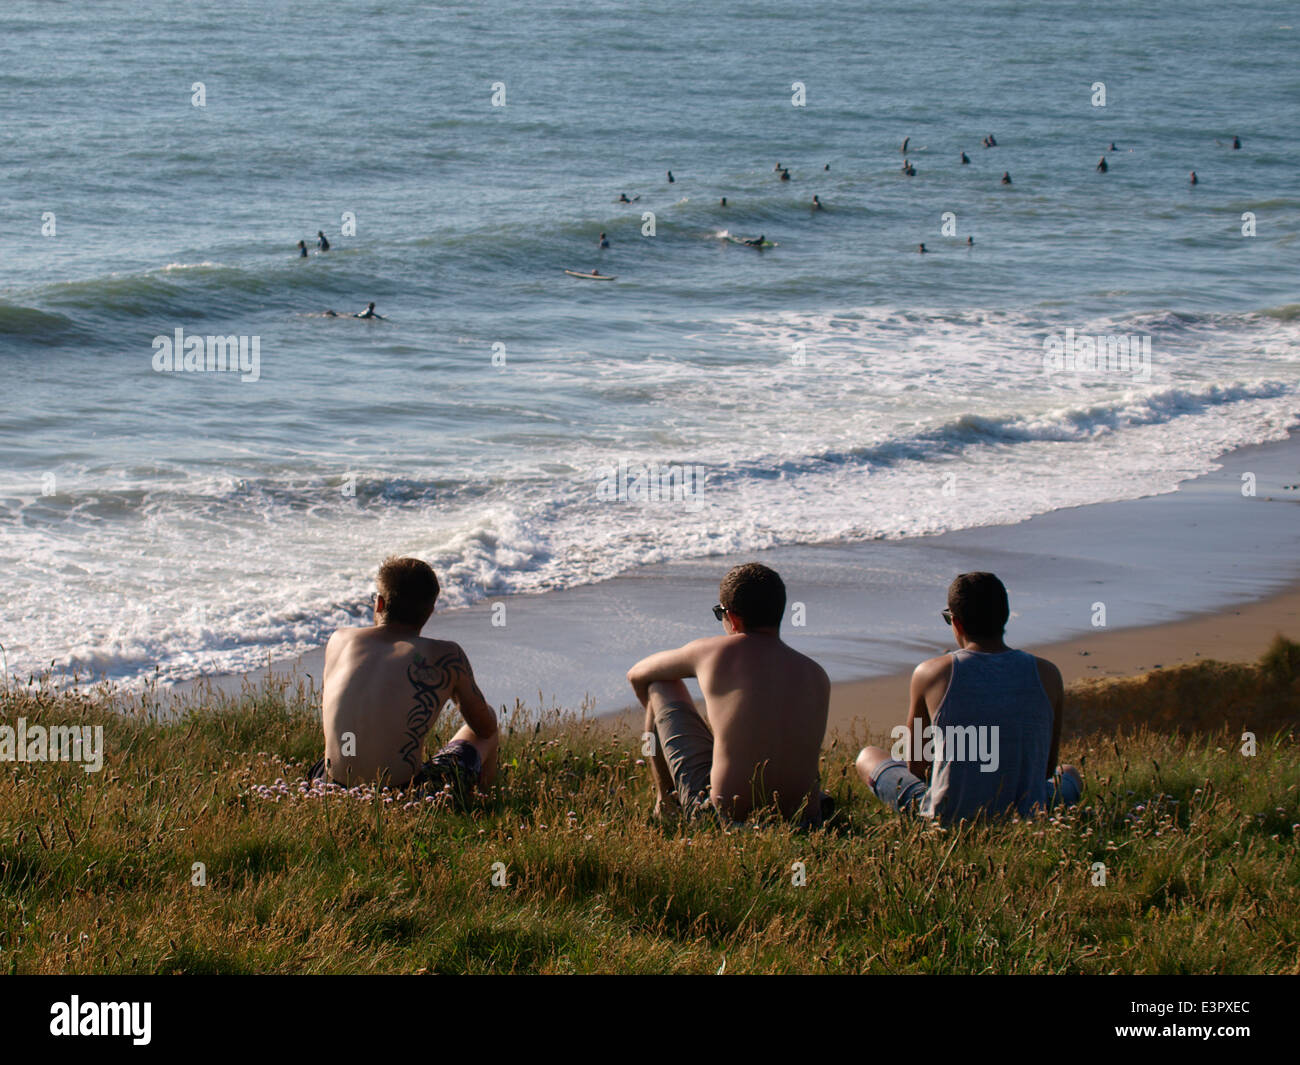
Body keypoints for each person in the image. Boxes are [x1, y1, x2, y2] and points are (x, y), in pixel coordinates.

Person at [855, 572, 1082, 824]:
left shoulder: (931, 673)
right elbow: (1047, 769)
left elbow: (917, 766)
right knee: (1069, 774)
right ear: (1005, 617)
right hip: (1027, 813)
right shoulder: (1048, 674)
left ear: (957, 623)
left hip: (947, 816)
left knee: (868, 756)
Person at [628, 563, 831, 827]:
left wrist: (664, 730)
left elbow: (637, 673)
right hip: (804, 819)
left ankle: (667, 804)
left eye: (719, 614)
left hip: (726, 817)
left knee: (660, 685)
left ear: (733, 618)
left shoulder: (712, 652)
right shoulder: (815, 673)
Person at [311, 557, 499, 802]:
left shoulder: (340, 639)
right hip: (405, 796)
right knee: (490, 719)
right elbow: (483, 728)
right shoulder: (447, 656)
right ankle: (485, 799)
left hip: (327, 788)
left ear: (379, 603)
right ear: (430, 611)